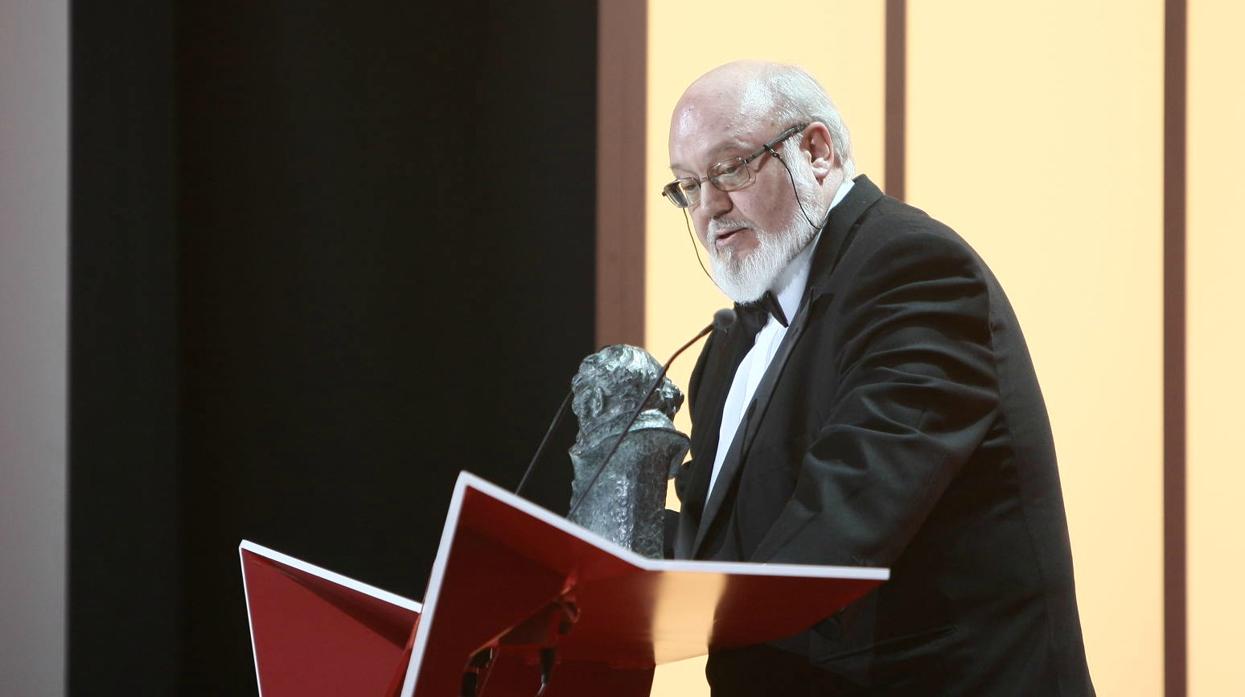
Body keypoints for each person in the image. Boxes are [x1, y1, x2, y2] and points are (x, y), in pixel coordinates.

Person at [663, 61, 1094, 695]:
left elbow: (840, 527)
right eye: (686, 186)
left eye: (730, 169)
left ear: (815, 151)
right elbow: (719, 550)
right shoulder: (728, 345)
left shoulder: (913, 271)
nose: (709, 207)